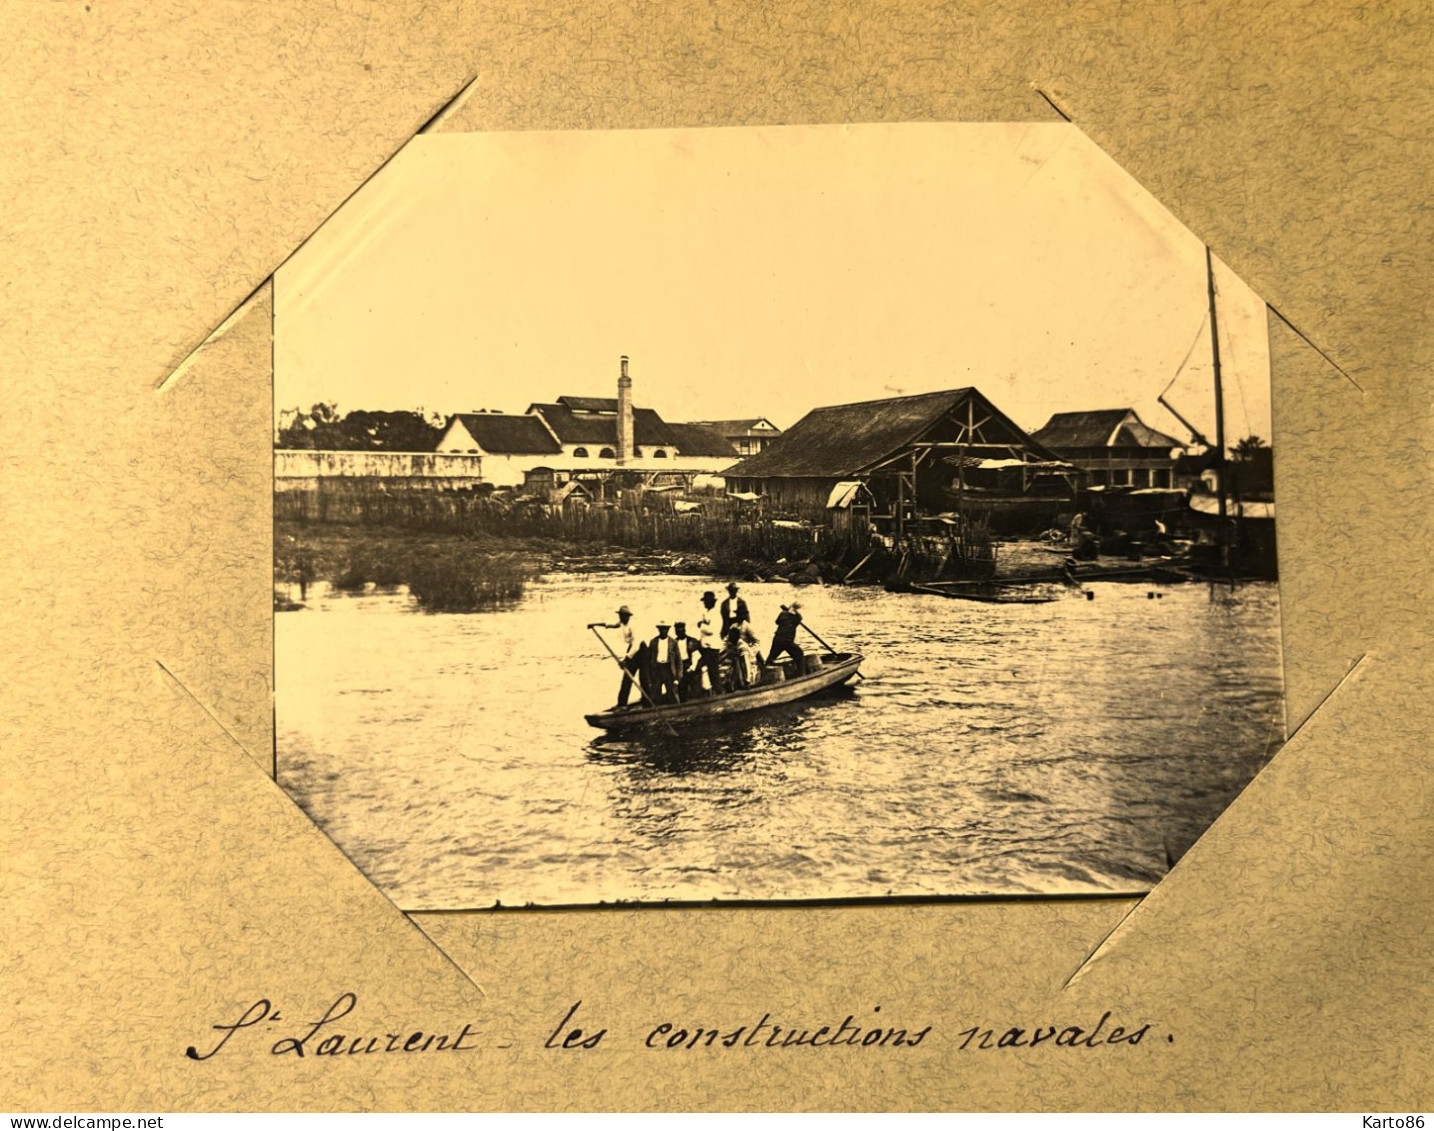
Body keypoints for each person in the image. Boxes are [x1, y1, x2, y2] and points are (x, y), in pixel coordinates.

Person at [589, 605, 641, 708]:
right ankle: (622, 704)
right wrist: (594, 624)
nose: (621, 618)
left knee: (644, 678)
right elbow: (611, 625)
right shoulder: (622, 623)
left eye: (623, 616)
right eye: (620, 616)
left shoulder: (633, 625)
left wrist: (626, 659)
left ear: (628, 616)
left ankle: (648, 703)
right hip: (631, 650)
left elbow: (636, 645)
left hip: (641, 651)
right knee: (627, 678)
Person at [642, 622, 682, 704]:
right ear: (659, 630)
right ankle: (658, 713)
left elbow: (678, 660)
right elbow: (648, 661)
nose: (663, 631)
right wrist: (649, 677)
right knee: (656, 694)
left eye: (665, 629)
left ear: (668, 630)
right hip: (657, 670)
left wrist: (678, 677)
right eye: (661, 629)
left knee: (672, 694)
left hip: (668, 670)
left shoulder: (673, 642)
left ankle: (677, 712)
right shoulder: (653, 642)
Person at [694, 590, 723, 696]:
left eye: (706, 601)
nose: (704, 603)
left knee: (713, 672)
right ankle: (707, 692)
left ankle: (718, 694)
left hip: (712, 647)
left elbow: (712, 630)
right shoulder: (707, 613)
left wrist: (701, 625)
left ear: (711, 602)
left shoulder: (715, 614)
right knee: (705, 669)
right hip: (706, 647)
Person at [766, 600, 806, 668]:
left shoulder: (783, 613)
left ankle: (766, 670)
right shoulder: (797, 617)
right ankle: (802, 674)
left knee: (771, 658)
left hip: (777, 639)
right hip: (787, 641)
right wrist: (793, 612)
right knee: (799, 654)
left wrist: (788, 612)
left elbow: (777, 622)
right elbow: (799, 618)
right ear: (797, 610)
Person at [672, 621, 702, 700]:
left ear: (684, 630)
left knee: (696, 689)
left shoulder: (692, 641)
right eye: (677, 631)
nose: (679, 633)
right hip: (681, 667)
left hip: (691, 665)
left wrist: (691, 668)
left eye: (681, 631)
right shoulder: (673, 643)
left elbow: (696, 656)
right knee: (681, 689)